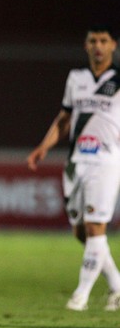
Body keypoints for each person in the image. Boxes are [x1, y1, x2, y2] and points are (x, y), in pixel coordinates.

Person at [27, 25, 120, 312]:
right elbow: (64, 118)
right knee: (81, 231)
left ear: (113, 45)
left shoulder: (118, 81)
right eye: (93, 40)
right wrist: (44, 146)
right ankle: (117, 285)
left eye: (104, 40)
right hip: (76, 161)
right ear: (86, 45)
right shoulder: (76, 78)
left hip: (106, 161)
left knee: (95, 227)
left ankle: (80, 295)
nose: (98, 46)